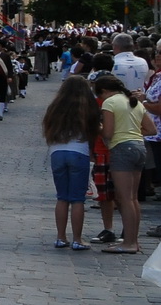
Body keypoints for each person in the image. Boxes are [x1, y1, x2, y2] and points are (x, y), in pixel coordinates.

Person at [94, 74, 154, 254]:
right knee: (133, 198)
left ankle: (128, 243)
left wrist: (98, 127)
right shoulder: (134, 102)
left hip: (121, 148)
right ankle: (133, 240)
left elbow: (108, 133)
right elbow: (151, 129)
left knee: (124, 198)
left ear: (104, 91)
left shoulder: (110, 103)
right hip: (138, 147)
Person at [43, 76, 101, 250]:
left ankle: (61, 237)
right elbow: (94, 133)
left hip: (57, 152)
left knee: (62, 197)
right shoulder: (88, 109)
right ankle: (77, 239)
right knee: (77, 199)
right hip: (79, 151)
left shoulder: (55, 108)